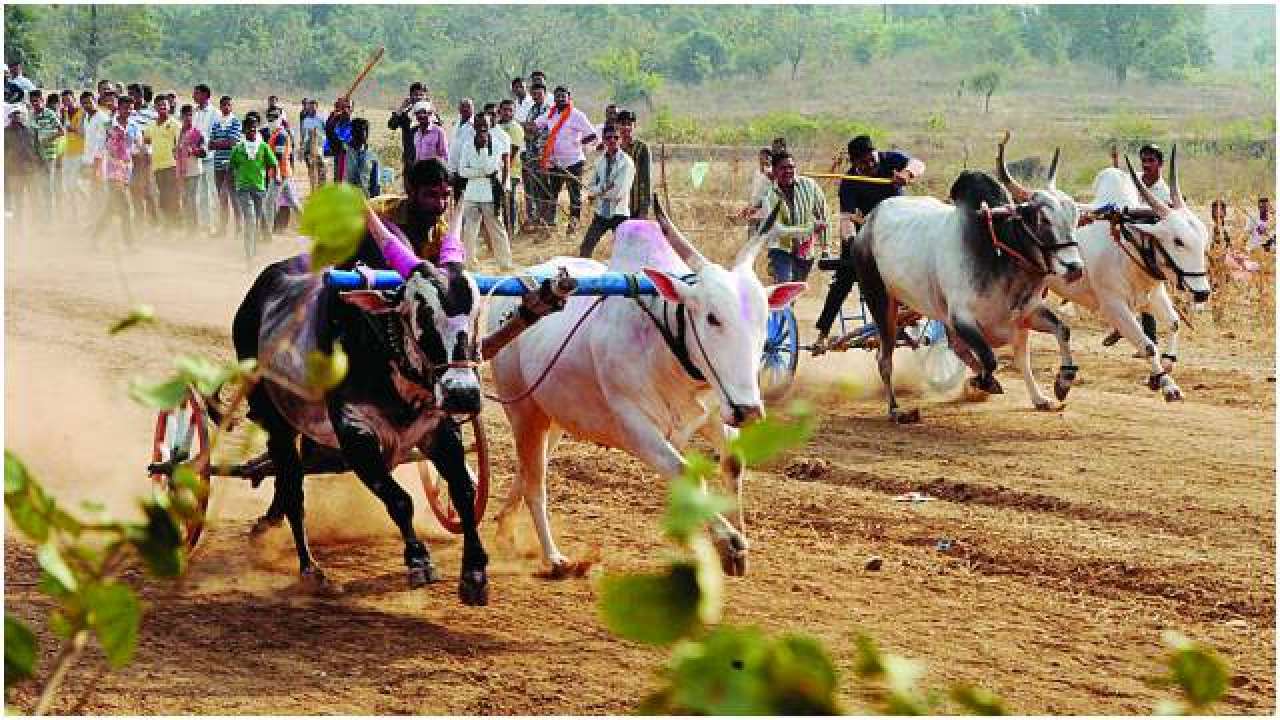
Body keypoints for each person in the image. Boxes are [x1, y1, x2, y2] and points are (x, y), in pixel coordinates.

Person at [812, 135, 924, 354]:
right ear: (854, 164)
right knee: (843, 279)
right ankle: (822, 333)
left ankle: (911, 314)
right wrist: (852, 243)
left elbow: (918, 163)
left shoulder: (890, 159)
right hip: (864, 235)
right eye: (863, 163)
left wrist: (907, 174)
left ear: (876, 153)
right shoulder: (849, 183)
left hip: (897, 233)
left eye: (871, 159)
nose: (870, 165)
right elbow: (846, 220)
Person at [752, 150, 829, 284]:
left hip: (805, 250)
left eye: (791, 167)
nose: (788, 171)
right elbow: (778, 230)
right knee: (785, 285)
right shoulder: (768, 195)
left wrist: (825, 248)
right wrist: (810, 228)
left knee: (793, 292)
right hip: (780, 249)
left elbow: (823, 215)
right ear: (775, 171)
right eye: (783, 168)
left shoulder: (809, 186)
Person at [534, 85, 596, 235]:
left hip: (574, 162)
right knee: (552, 194)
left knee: (574, 195)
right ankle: (550, 226)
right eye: (558, 96)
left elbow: (592, 134)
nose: (560, 99)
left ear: (569, 98)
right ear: (554, 98)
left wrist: (577, 144)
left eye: (563, 96)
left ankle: (572, 227)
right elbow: (535, 125)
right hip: (555, 162)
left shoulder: (577, 115)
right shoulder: (551, 114)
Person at [457, 113, 513, 271]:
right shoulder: (467, 144)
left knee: (496, 228)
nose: (482, 127)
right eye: (479, 124)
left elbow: (492, 169)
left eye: (485, 125)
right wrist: (481, 172)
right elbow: (462, 171)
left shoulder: (496, 144)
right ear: (474, 126)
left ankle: (505, 264)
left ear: (490, 125)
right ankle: (469, 263)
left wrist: (482, 149)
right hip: (472, 193)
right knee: (469, 230)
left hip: (490, 193)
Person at [579, 124, 635, 258]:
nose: (613, 140)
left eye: (616, 137)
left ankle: (628, 277)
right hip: (601, 212)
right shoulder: (600, 161)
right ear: (603, 140)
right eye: (609, 137)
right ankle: (586, 275)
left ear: (620, 139)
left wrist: (598, 192)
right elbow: (591, 187)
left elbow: (618, 192)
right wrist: (604, 188)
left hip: (619, 213)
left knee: (625, 252)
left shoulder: (626, 163)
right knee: (586, 247)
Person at [228, 112, 277, 260]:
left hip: (259, 188)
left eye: (254, 128)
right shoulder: (238, 148)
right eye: (249, 129)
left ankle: (253, 251)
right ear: (244, 131)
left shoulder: (263, 147)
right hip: (243, 188)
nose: (252, 131)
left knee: (255, 220)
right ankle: (249, 255)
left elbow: (273, 163)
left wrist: (271, 179)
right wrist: (231, 185)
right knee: (250, 218)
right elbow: (231, 167)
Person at [101, 95, 143, 246]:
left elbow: (138, 145)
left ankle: (95, 237)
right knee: (125, 207)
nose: (128, 111)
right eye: (125, 108)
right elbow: (104, 146)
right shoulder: (109, 125)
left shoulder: (134, 126)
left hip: (127, 169)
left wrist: (141, 148)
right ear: (118, 108)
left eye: (130, 108)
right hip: (113, 170)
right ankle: (130, 243)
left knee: (111, 208)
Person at [143, 95, 181, 226]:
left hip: (172, 165)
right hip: (157, 166)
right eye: (159, 105)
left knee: (173, 196)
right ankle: (168, 224)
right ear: (155, 108)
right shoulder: (151, 125)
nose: (163, 107)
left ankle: (176, 224)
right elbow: (146, 139)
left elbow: (179, 144)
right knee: (163, 197)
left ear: (169, 106)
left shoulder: (175, 124)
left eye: (165, 105)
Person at [208, 95, 243, 236]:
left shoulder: (235, 122)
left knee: (232, 196)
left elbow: (233, 142)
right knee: (221, 198)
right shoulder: (217, 123)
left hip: (231, 164)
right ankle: (223, 228)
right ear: (220, 106)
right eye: (224, 105)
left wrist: (219, 143)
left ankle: (239, 228)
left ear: (231, 106)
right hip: (217, 165)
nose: (226, 107)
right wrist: (223, 143)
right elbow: (210, 144)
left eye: (228, 105)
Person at [263, 107, 301, 232]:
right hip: (284, 173)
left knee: (269, 203)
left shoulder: (281, 135)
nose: (271, 120)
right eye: (269, 118)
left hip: (280, 173)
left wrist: (277, 174)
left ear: (280, 119)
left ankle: (266, 232)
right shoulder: (275, 133)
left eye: (274, 118)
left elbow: (279, 157)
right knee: (294, 202)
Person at [520, 81, 551, 228]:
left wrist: (528, 128)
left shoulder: (549, 110)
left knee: (544, 188)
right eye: (534, 94)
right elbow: (527, 130)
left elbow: (538, 130)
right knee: (532, 188)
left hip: (543, 154)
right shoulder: (531, 109)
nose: (537, 96)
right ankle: (534, 218)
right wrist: (528, 128)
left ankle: (545, 220)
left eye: (540, 94)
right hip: (530, 153)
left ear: (545, 94)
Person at [28, 89, 64, 215]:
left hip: (48, 155)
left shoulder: (50, 114)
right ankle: (40, 216)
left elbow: (61, 131)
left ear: (42, 101)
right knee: (38, 187)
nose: (34, 104)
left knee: (47, 187)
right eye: (32, 102)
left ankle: (50, 218)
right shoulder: (31, 115)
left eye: (37, 101)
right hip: (35, 156)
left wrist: (47, 138)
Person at [5, 105, 40, 232]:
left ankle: (36, 226)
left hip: (31, 170)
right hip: (14, 172)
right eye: (14, 114)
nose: (17, 116)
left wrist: (40, 164)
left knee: (34, 198)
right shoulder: (4, 132)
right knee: (18, 200)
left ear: (23, 116)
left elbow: (37, 149)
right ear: (10, 117)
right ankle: (18, 227)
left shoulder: (31, 130)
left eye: (19, 114)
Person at [191, 84, 219, 234]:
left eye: (196, 94)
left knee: (213, 191)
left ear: (205, 95)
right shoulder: (194, 112)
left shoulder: (215, 113)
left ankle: (216, 225)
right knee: (200, 192)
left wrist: (205, 147)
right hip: (197, 158)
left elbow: (215, 135)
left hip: (211, 157)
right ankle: (205, 224)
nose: (193, 96)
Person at [388, 81, 428, 181]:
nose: (419, 97)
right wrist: (401, 108)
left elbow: (440, 128)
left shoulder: (430, 113)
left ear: (425, 96)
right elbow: (392, 125)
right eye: (415, 95)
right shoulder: (405, 113)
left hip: (427, 159)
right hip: (410, 158)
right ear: (410, 96)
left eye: (421, 95)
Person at [614, 110, 650, 219]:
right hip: (617, 206)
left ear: (634, 126)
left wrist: (644, 208)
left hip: (636, 206)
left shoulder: (641, 148)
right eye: (622, 124)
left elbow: (646, 179)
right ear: (617, 126)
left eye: (629, 124)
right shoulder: (614, 148)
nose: (626, 128)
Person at [175, 103, 206, 227]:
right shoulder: (178, 132)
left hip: (194, 171)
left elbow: (204, 152)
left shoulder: (197, 133)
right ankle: (189, 227)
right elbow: (176, 149)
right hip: (181, 171)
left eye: (190, 115)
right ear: (181, 117)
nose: (188, 118)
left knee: (192, 200)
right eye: (186, 115)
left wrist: (193, 151)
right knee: (184, 199)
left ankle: (195, 228)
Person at [496, 99, 525, 234]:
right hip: (496, 170)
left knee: (509, 200)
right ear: (499, 111)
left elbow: (512, 153)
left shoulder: (515, 128)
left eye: (510, 110)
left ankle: (511, 230)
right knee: (498, 202)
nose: (507, 113)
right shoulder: (496, 126)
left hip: (511, 171)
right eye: (504, 110)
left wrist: (502, 168)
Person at [446, 97, 475, 201]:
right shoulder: (457, 123)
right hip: (454, 169)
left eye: (468, 107)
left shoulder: (475, 125)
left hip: (467, 169)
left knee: (468, 201)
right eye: (463, 106)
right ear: (459, 109)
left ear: (473, 108)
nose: (466, 109)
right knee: (457, 200)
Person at [343, 117, 381, 197]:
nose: (365, 134)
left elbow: (375, 183)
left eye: (366, 131)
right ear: (353, 132)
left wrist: (375, 199)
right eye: (361, 130)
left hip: (366, 201)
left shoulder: (371, 155)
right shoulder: (344, 153)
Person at [324, 96, 354, 182]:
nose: (345, 110)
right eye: (344, 107)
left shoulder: (354, 126)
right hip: (337, 157)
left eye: (348, 107)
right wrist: (336, 113)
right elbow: (329, 130)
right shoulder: (335, 123)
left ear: (352, 110)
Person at [299, 97, 327, 189]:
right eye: (310, 108)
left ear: (317, 108)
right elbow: (303, 135)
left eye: (313, 108)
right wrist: (302, 147)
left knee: (321, 168)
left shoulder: (321, 119)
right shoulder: (306, 120)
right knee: (311, 168)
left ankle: (321, 188)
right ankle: (313, 188)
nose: (312, 110)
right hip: (308, 148)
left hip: (319, 147)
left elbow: (326, 132)